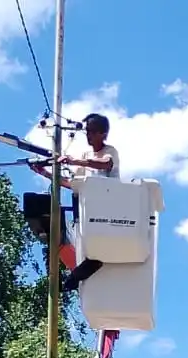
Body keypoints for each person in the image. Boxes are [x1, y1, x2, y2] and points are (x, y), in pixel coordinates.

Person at [30, 113, 120, 290]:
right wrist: (46, 174)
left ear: (103, 134)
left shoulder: (109, 152)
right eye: (87, 132)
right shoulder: (87, 156)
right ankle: (69, 278)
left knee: (96, 256)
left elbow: (104, 164)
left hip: (107, 212)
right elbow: (73, 184)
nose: (88, 135)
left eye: (92, 132)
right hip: (88, 213)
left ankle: (77, 277)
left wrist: (74, 160)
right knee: (64, 238)